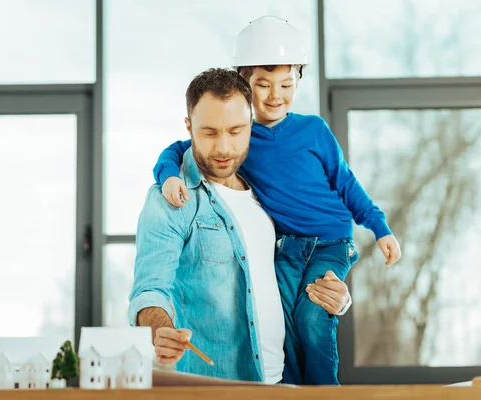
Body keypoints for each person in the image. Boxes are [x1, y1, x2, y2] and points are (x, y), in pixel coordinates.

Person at [152, 17, 401, 385]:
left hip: (330, 242)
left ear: (298, 80)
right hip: (286, 247)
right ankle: (293, 391)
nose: (275, 95)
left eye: (286, 84)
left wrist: (380, 229)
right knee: (285, 321)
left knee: (313, 316)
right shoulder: (239, 138)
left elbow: (346, 184)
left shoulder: (314, 130)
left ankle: (323, 393)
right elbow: (175, 150)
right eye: (263, 85)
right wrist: (169, 176)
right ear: (244, 84)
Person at [129, 68, 352, 384]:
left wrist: (339, 300)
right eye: (209, 132)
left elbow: (294, 267)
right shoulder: (171, 199)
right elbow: (149, 290)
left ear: (251, 125)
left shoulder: (266, 189)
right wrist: (160, 329)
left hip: (285, 381)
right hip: (218, 387)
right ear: (189, 127)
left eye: (235, 131)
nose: (223, 148)